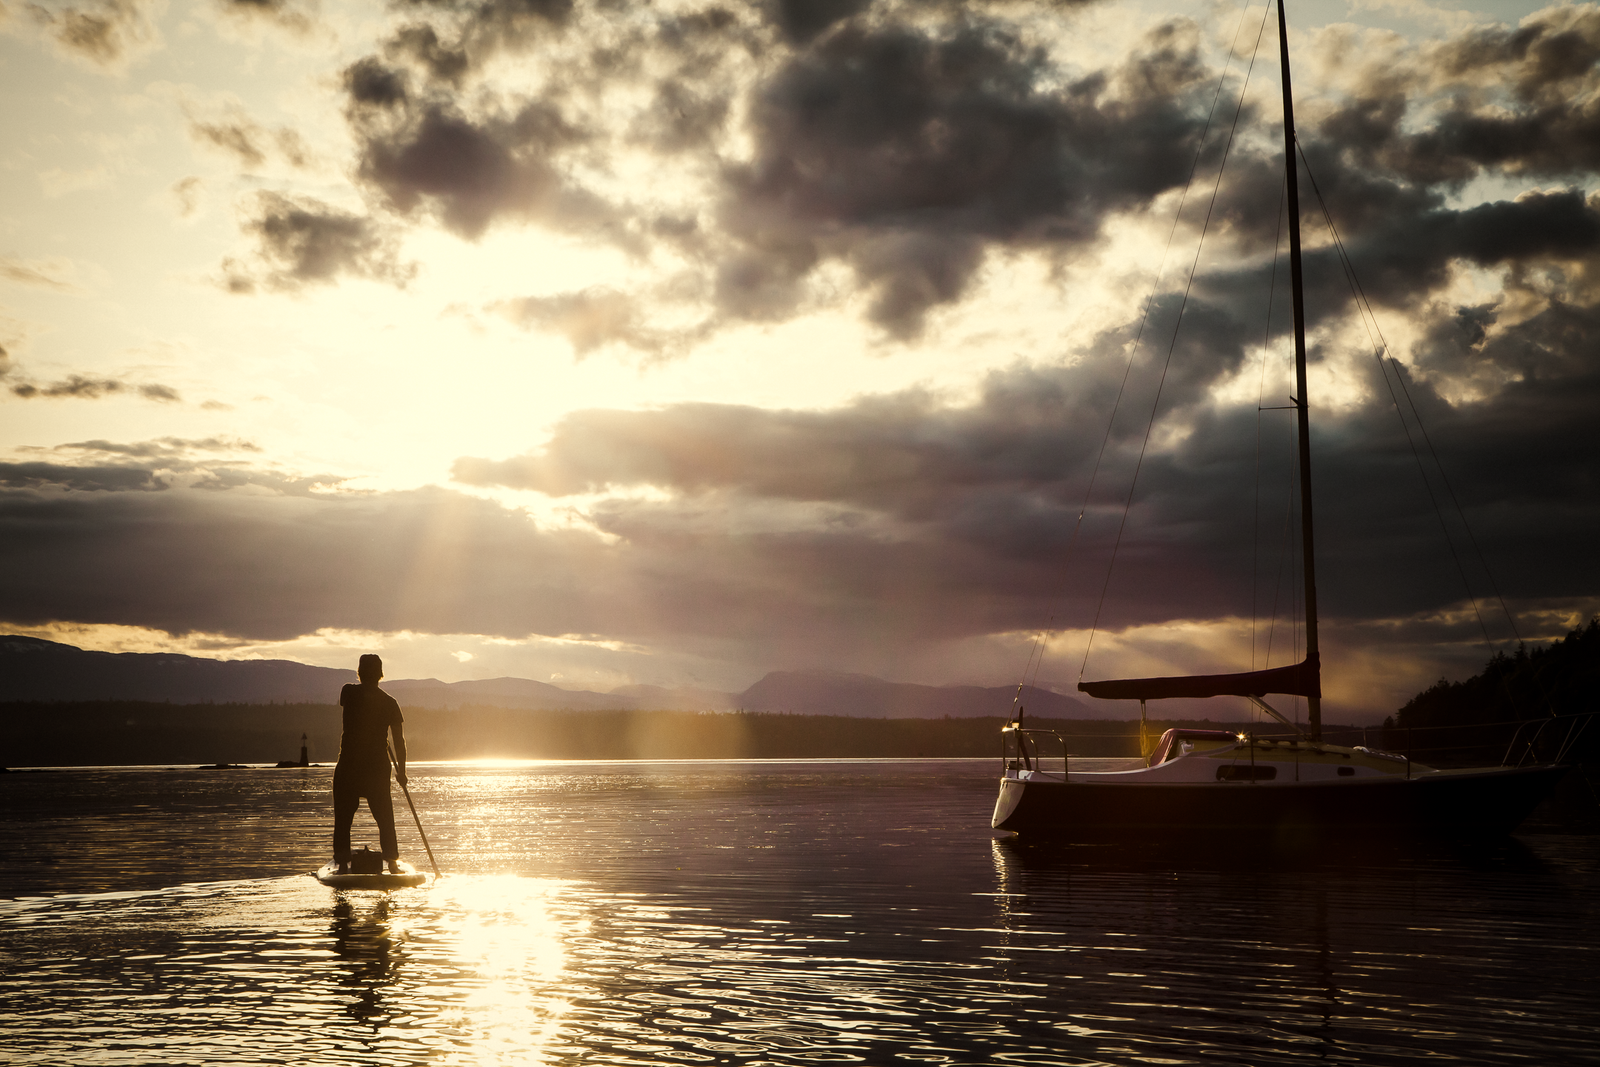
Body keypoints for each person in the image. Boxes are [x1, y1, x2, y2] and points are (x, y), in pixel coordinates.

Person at [333, 654, 407, 875]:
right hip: (376, 767)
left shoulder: (348, 692)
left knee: (344, 816)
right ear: (381, 674)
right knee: (385, 816)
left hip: (349, 766)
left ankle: (344, 864)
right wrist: (401, 772)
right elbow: (399, 742)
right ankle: (392, 862)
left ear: (359, 672)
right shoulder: (390, 703)